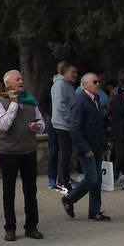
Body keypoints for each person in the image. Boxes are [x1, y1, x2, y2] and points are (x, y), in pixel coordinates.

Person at [0, 69, 45, 241]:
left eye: (22, 78)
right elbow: (4, 125)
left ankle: (31, 227)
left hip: (28, 151)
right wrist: (14, 104)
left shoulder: (30, 100)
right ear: (8, 84)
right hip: (9, 153)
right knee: (9, 192)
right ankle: (10, 228)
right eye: (17, 79)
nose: (21, 81)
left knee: (30, 191)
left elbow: (41, 121)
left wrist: (38, 127)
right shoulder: (1, 102)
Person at [62, 72, 110, 222]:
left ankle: (94, 211)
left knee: (97, 181)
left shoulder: (96, 99)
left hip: (97, 147)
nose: (98, 84)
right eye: (94, 82)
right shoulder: (80, 101)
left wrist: (104, 145)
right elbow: (75, 128)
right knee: (91, 179)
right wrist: (85, 149)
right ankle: (69, 199)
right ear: (85, 85)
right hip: (86, 148)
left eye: (98, 82)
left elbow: (98, 126)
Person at [48, 63, 79, 192]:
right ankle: (62, 181)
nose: (76, 75)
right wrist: (70, 119)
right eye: (73, 72)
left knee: (66, 153)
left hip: (67, 124)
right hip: (62, 124)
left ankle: (64, 179)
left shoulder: (68, 85)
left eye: (76, 72)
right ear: (65, 73)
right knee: (64, 152)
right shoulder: (60, 85)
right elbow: (60, 105)